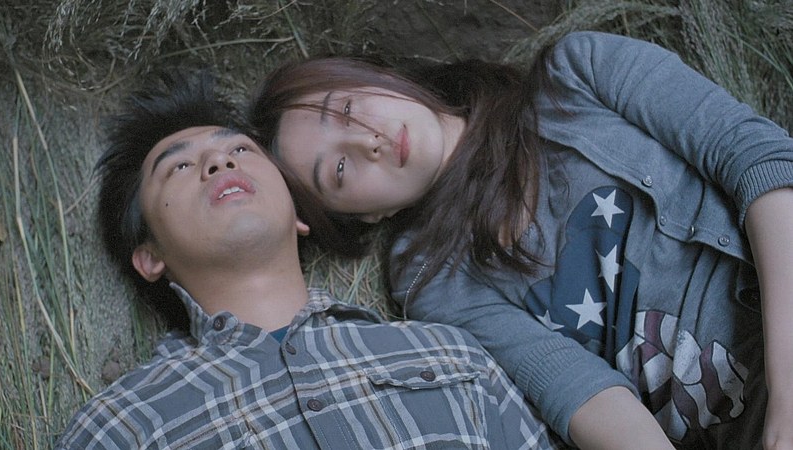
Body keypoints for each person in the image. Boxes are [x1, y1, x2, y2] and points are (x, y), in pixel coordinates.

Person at [246, 30, 793, 450]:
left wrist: (787, 399)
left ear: (379, 76)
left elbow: (760, 162)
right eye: (339, 170)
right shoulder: (435, 281)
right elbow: (579, 392)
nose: (368, 141)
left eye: (345, 108)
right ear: (364, 217)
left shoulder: (579, 72)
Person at [54, 71, 564, 449]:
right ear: (149, 258)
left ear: (299, 214)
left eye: (241, 150)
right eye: (179, 167)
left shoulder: (451, 356)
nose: (218, 161)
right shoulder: (120, 429)